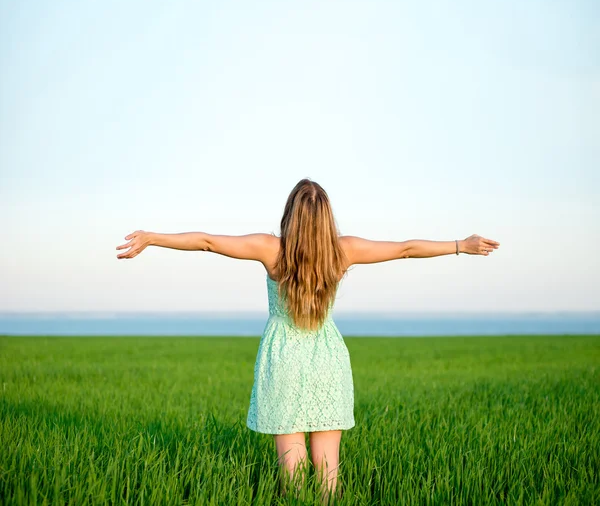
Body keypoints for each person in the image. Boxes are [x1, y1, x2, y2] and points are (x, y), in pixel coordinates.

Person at [116, 178, 500, 503]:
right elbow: (405, 249)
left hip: (283, 359)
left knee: (294, 478)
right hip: (328, 358)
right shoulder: (343, 251)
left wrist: (152, 237)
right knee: (329, 475)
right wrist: (459, 246)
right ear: (327, 218)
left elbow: (207, 242)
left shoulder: (272, 249)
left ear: (290, 216)